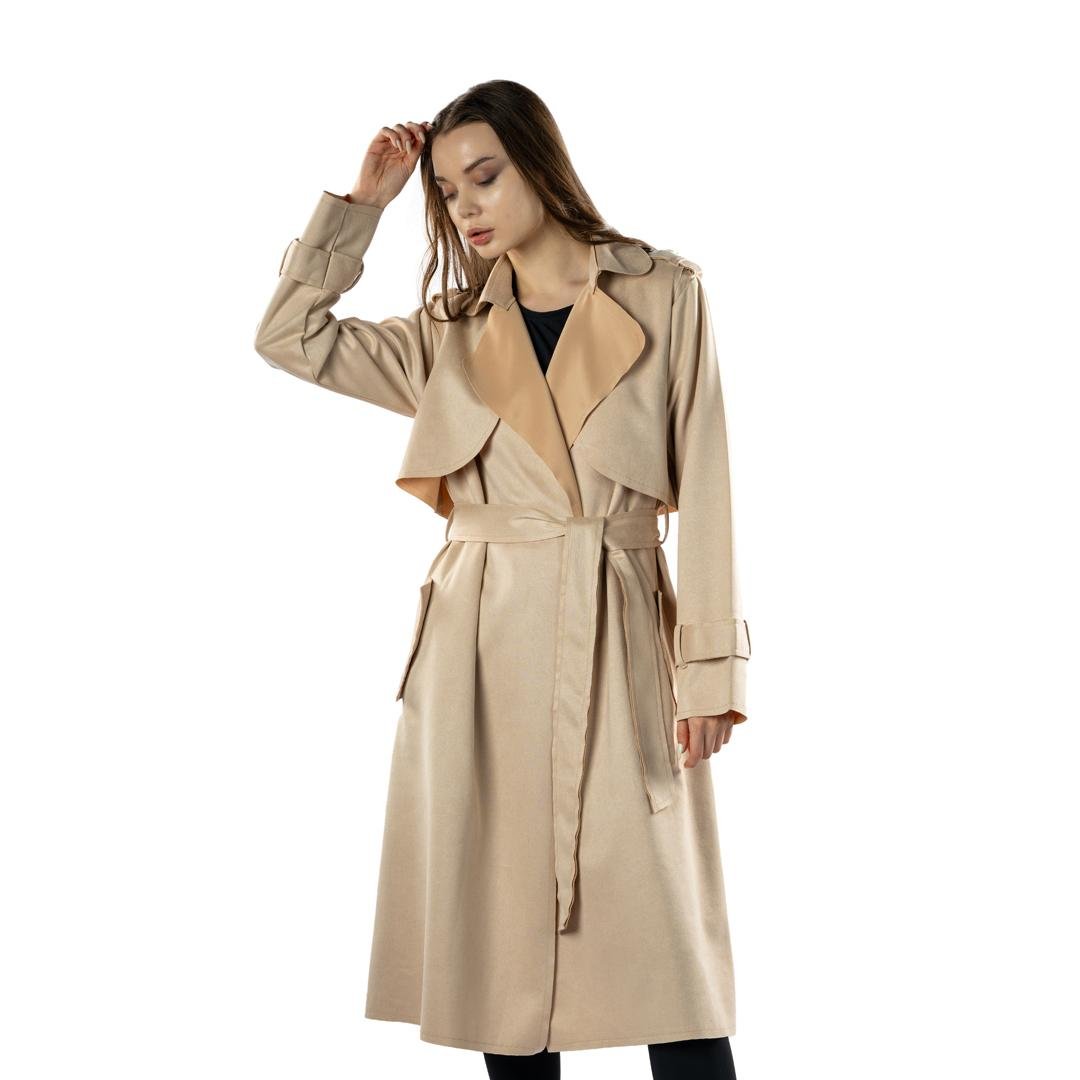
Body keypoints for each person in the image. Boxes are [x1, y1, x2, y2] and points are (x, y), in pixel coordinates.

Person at [254, 80, 750, 1080]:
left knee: (668, 958)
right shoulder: (449, 333)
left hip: (617, 630)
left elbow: (707, 482)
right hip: (481, 650)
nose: (467, 206)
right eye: (448, 191)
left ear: (540, 166)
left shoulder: (664, 293)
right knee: (501, 952)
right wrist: (364, 206)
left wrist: (709, 675)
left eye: (485, 176)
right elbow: (289, 336)